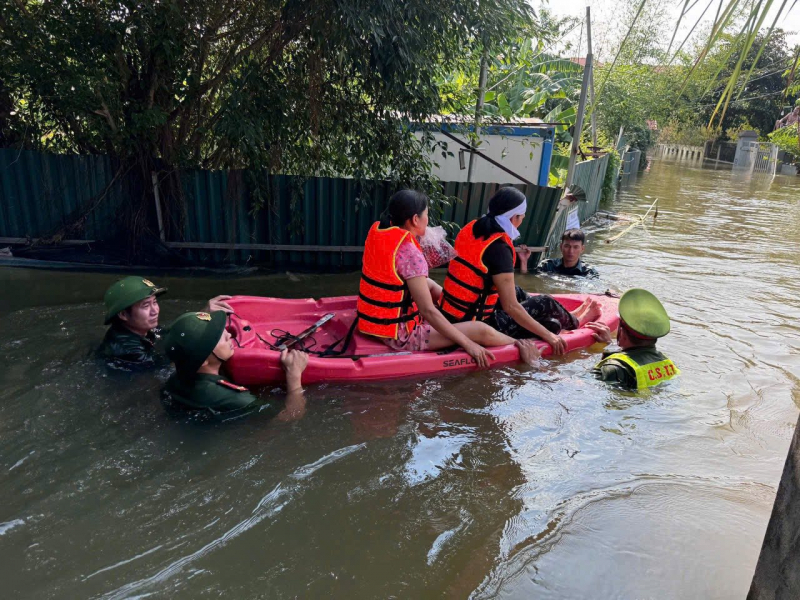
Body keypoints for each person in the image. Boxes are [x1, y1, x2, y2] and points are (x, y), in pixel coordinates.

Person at [356, 190, 539, 367]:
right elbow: (428, 311)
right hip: (401, 335)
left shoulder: (382, 235)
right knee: (480, 330)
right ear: (415, 219)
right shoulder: (410, 254)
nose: (428, 221)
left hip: (374, 324)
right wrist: (469, 344)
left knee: (428, 284)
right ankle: (521, 345)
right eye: (426, 215)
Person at [438, 187, 601, 354]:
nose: (522, 221)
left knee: (516, 291)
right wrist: (549, 336)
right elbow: (511, 307)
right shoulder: (500, 248)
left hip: (452, 313)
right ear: (514, 217)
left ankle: (568, 316)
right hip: (474, 322)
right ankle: (577, 321)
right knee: (544, 303)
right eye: (522, 217)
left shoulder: (472, 228)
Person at [162, 311, 309, 417]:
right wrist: (294, 376)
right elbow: (289, 417)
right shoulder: (235, 397)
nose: (229, 335)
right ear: (203, 360)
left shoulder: (175, 377)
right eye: (218, 337)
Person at [97, 275, 233, 368]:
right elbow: (163, 366)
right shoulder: (127, 349)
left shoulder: (140, 327)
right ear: (123, 314)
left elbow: (169, 333)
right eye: (145, 306)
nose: (154, 310)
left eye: (154, 302)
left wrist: (203, 314)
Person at [588, 288, 679, 389]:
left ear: (622, 331)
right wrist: (610, 346)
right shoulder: (668, 365)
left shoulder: (612, 368)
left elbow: (585, 387)